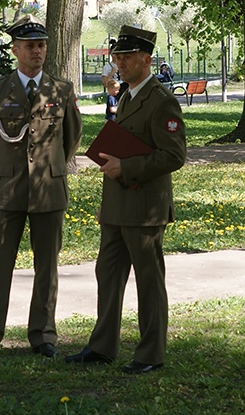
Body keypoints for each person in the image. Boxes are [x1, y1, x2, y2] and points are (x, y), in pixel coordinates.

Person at [66, 25, 187, 375]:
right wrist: (110, 199)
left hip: (145, 207)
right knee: (108, 274)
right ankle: (103, 346)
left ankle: (150, 354)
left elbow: (173, 156)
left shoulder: (160, 99)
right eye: (116, 56)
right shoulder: (128, 95)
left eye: (127, 56)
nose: (119, 62)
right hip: (119, 206)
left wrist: (127, 167)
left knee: (149, 282)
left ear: (146, 59)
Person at [0, 14, 82, 361]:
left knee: (47, 266)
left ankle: (43, 334)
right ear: (15, 49)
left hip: (48, 189)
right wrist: (9, 168)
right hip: (9, 189)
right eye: (30, 45)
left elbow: (71, 138)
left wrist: (49, 168)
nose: (38, 51)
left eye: (42, 45)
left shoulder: (61, 90)